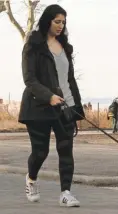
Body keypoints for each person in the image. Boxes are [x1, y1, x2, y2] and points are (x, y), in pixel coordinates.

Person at [18, 4, 85, 207]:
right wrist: (49, 96)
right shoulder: (33, 44)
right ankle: (31, 179)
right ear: (47, 20)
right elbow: (29, 79)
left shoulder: (65, 47)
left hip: (65, 108)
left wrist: (76, 111)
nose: (61, 26)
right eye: (57, 21)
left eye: (63, 22)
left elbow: (70, 81)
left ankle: (66, 192)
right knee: (41, 152)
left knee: (66, 150)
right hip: (38, 107)